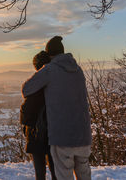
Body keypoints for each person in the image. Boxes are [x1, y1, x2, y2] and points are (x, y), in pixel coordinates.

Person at [22, 36, 92, 180]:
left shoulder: (50, 69)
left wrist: (41, 70)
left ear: (50, 54)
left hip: (62, 137)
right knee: (84, 175)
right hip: (84, 136)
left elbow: (27, 89)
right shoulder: (78, 70)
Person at [20, 50, 57, 180]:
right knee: (55, 170)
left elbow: (26, 112)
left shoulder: (34, 87)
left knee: (40, 173)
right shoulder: (55, 85)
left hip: (36, 135)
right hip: (53, 133)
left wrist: (26, 128)